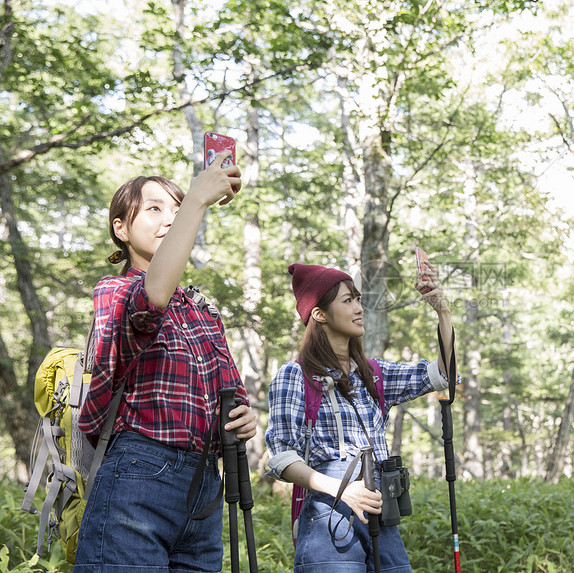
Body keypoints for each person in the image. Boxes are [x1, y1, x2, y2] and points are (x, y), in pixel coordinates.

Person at [74, 149, 258, 573]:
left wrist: (242, 418)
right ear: (120, 229)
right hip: (139, 474)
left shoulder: (202, 310)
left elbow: (231, 390)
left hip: (204, 486)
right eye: (153, 209)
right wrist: (195, 200)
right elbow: (152, 298)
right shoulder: (115, 290)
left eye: (175, 207)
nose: (169, 217)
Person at [266, 261, 456, 573]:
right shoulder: (295, 375)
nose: (359, 308)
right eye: (348, 300)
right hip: (329, 516)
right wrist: (342, 489)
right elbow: (282, 458)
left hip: (382, 513)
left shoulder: (374, 374)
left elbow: (444, 374)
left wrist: (442, 312)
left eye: (358, 300)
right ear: (319, 314)